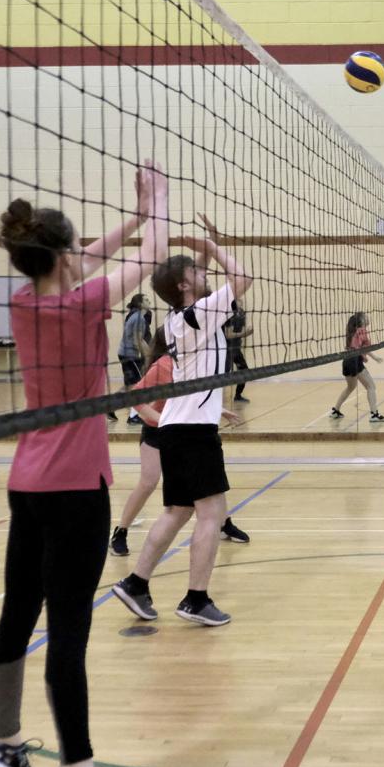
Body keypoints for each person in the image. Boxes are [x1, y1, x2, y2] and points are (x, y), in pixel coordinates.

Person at [0, 160, 168, 767]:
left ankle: (5, 741)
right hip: (77, 490)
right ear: (61, 256)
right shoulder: (83, 299)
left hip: (26, 482)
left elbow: (82, 256)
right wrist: (158, 206)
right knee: (68, 634)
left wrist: (135, 219)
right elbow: (151, 261)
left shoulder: (24, 298)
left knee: (16, 612)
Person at [111, 215, 253, 628]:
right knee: (211, 514)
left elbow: (203, 279)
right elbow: (241, 276)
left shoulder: (183, 316)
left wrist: (206, 247)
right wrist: (214, 250)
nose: (202, 271)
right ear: (185, 286)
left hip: (176, 428)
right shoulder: (199, 313)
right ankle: (196, 598)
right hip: (191, 433)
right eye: (195, 271)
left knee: (177, 511)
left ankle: (136, 584)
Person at [108, 328, 245, 558]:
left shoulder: (193, 364)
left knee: (210, 476)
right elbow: (136, 400)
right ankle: (120, 532)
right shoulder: (162, 365)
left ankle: (224, 523)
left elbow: (192, 396)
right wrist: (163, 420)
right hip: (157, 432)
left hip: (183, 431)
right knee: (148, 482)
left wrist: (220, 410)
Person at [330, 312, 384, 422]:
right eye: (365, 316)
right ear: (361, 321)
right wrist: (373, 357)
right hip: (354, 360)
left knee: (351, 387)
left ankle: (335, 411)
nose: (367, 317)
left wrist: (364, 356)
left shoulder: (353, 331)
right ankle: (374, 415)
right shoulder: (362, 330)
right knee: (371, 386)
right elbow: (362, 347)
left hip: (347, 360)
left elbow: (356, 346)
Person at [115, 293, 151, 424]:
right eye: (146, 300)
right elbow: (138, 341)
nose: (149, 301)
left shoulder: (137, 316)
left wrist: (149, 352)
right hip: (129, 355)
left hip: (126, 354)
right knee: (138, 385)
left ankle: (110, 406)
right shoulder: (138, 318)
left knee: (131, 385)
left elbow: (140, 340)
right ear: (140, 303)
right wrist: (148, 356)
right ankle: (133, 416)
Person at [223, 301, 253, 402]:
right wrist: (244, 333)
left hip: (236, 349)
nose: (240, 300)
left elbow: (242, 331)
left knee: (244, 371)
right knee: (223, 375)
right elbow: (228, 334)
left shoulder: (242, 313)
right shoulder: (228, 314)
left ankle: (238, 396)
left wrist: (245, 333)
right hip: (226, 350)